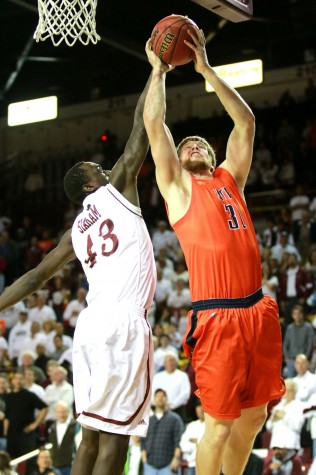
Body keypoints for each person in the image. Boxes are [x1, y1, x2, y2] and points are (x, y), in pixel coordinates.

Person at [143, 28, 285, 475]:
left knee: (255, 417)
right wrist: (158, 72)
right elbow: (154, 125)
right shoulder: (178, 189)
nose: (195, 145)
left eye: (201, 142)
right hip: (218, 317)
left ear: (212, 154)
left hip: (258, 310)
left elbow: (246, 124)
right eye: (186, 145)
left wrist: (206, 70)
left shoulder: (230, 180)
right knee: (219, 426)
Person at [0, 73, 156, 475]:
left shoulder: (74, 232)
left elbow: (34, 277)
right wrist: (157, 71)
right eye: (98, 168)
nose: (106, 169)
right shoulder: (116, 189)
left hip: (88, 327)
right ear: (90, 183)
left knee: (90, 433)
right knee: (115, 438)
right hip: (122, 320)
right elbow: (141, 131)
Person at [140, 389, 184, 475]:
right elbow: (143, 440)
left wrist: (176, 458)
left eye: (162, 396)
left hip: (168, 465)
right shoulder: (148, 420)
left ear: (166, 399)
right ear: (154, 399)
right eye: (157, 396)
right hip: (150, 465)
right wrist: (144, 456)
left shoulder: (175, 419)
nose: (160, 398)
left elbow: (179, 441)